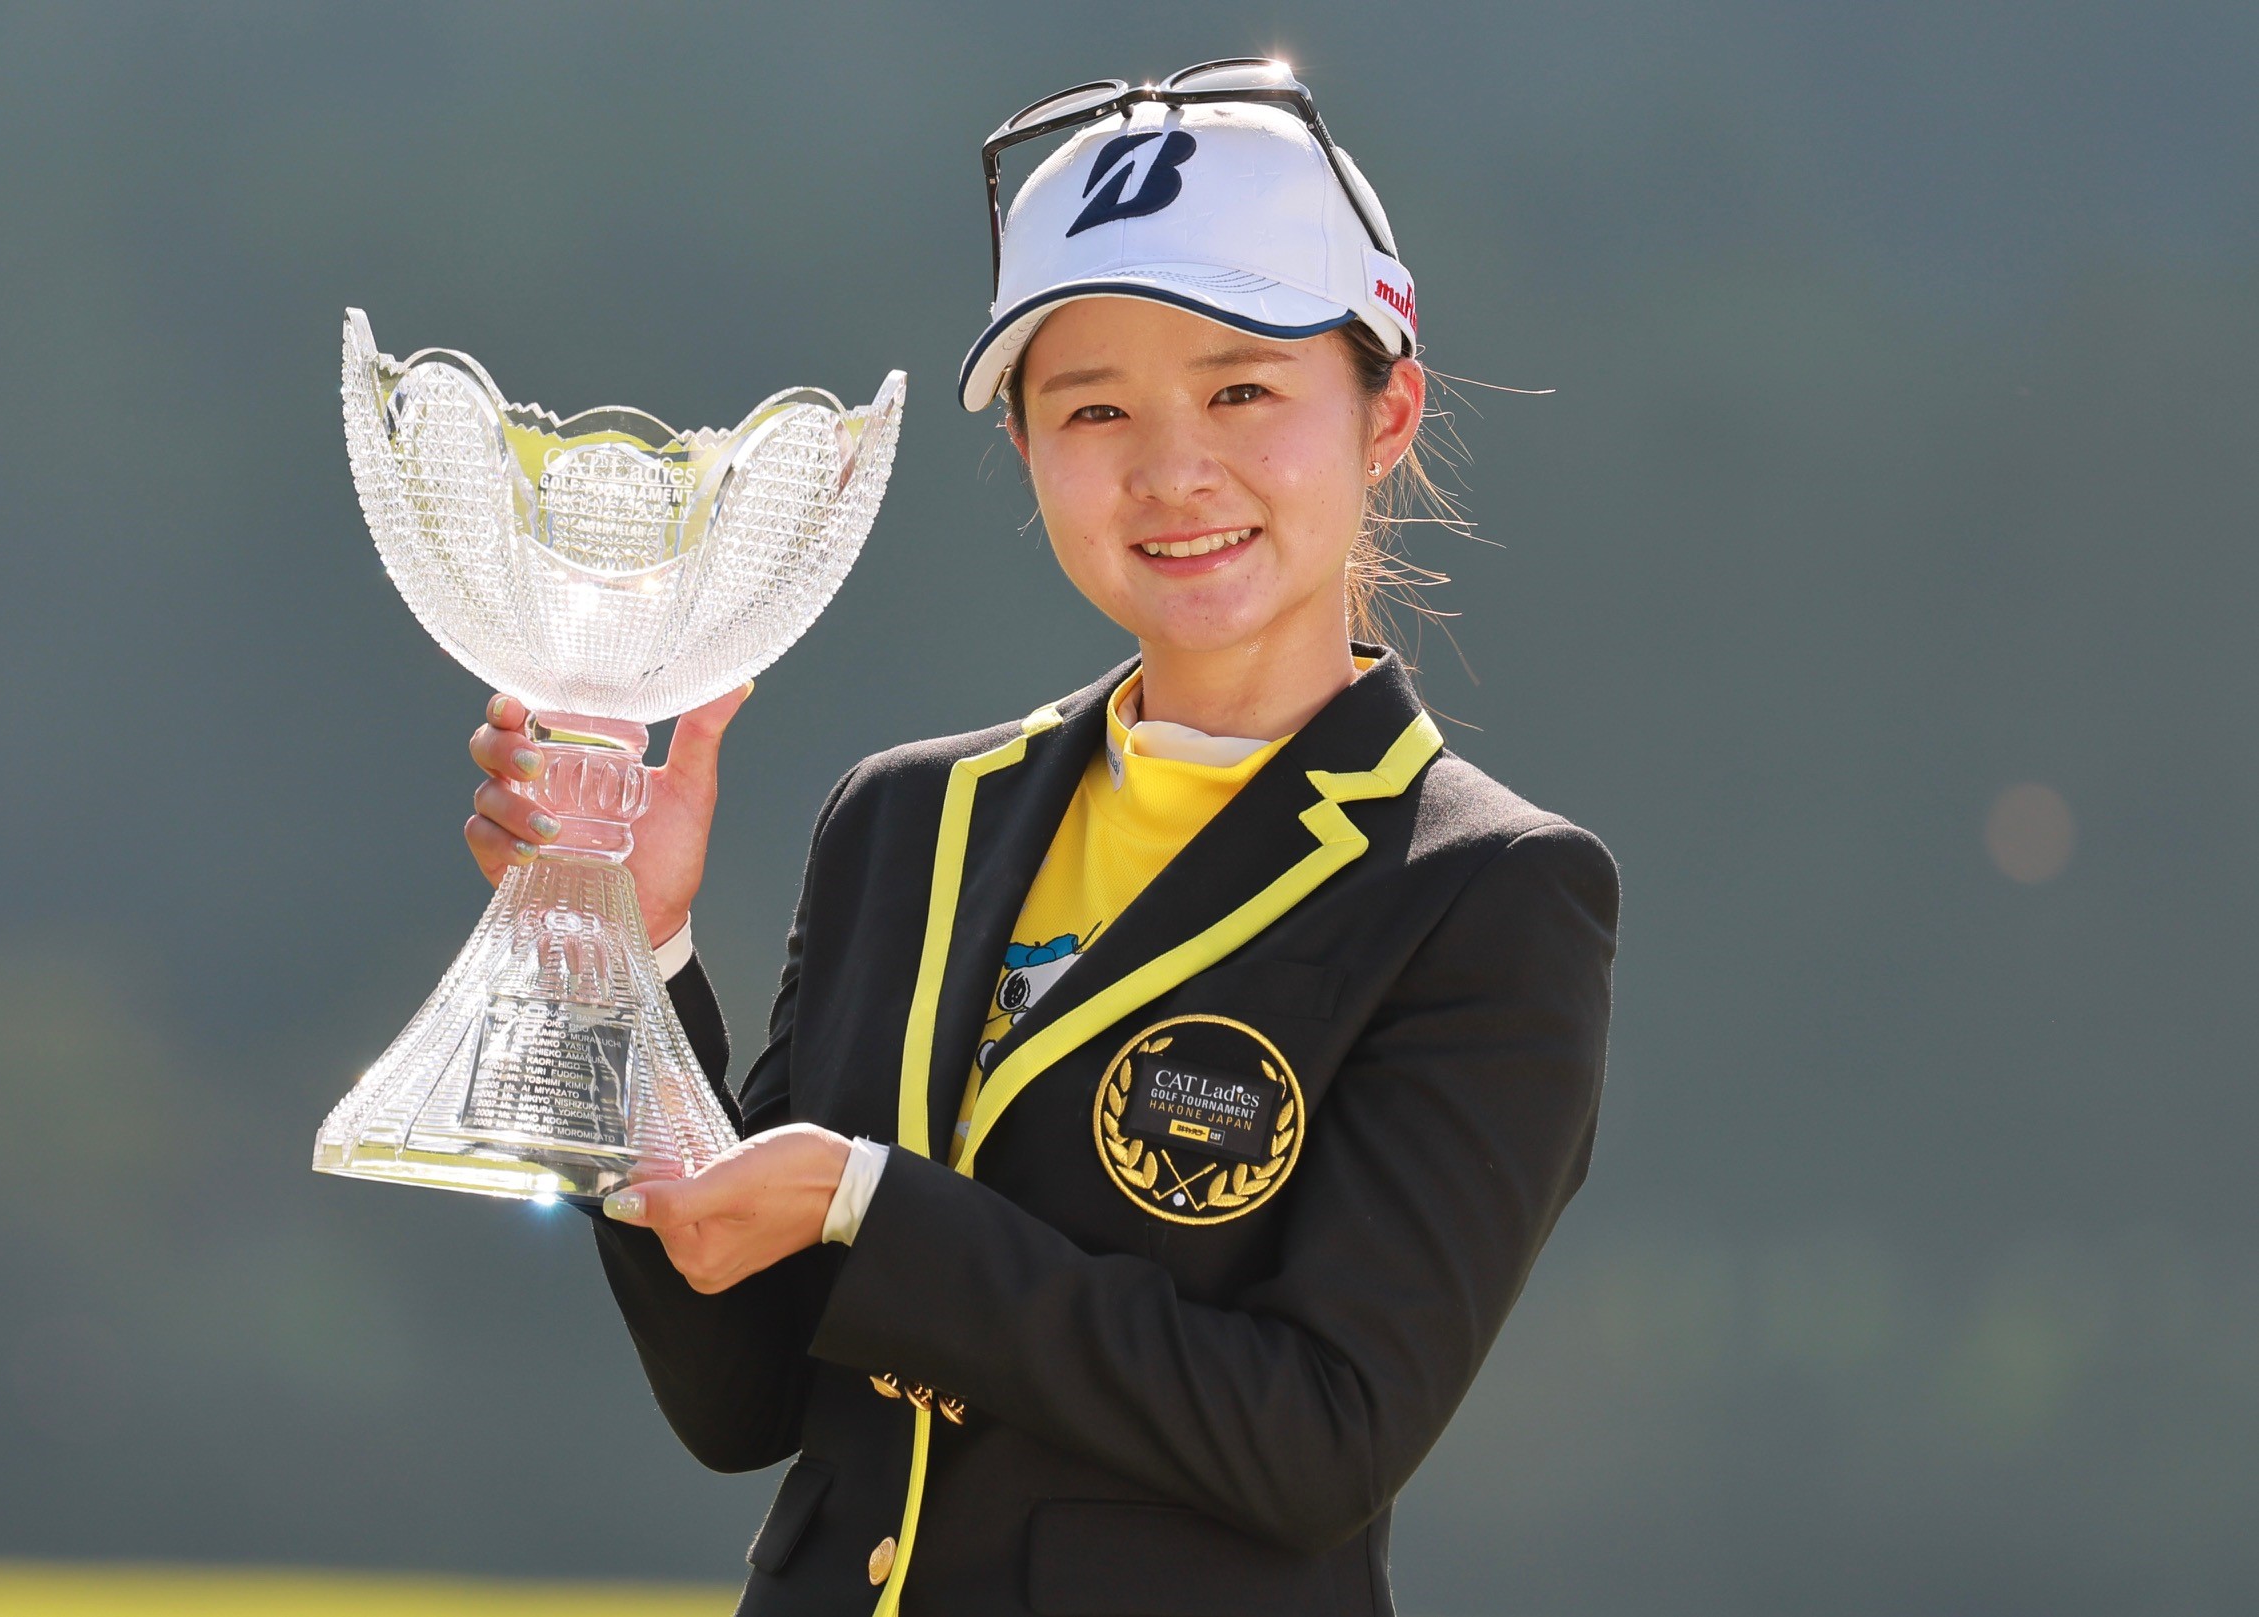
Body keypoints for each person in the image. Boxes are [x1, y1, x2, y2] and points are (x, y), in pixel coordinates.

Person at [463, 60, 1618, 1617]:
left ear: (1386, 409)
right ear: (1021, 446)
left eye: (1241, 390)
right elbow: (737, 1396)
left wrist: (877, 1202)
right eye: (1092, 408)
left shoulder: (1485, 894)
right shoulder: (903, 817)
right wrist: (629, 958)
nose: (1168, 467)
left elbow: (1316, 1437)